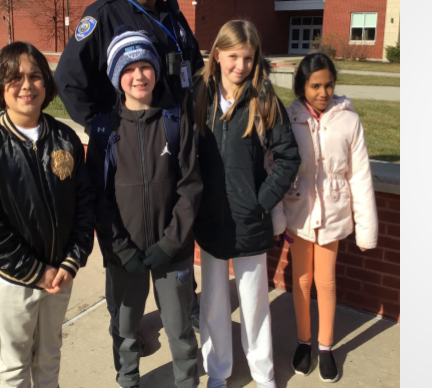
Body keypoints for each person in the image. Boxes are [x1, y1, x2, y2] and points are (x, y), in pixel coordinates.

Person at [0, 42, 97, 388]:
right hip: (14, 279)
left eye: (35, 76)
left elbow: (84, 207)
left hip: (60, 278)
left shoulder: (64, 139)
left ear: (47, 84)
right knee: (16, 365)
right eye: (15, 78)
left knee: (50, 356)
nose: (26, 85)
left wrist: (70, 263)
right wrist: (36, 271)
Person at [188, 20, 299, 388]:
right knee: (214, 302)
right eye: (233, 56)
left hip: (250, 219)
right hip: (211, 220)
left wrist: (262, 201)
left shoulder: (263, 100)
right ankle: (217, 370)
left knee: (254, 303)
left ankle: (262, 372)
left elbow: (288, 157)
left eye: (248, 58)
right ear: (216, 54)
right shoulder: (198, 96)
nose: (240, 65)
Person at [98, 31, 206, 388]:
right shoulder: (106, 131)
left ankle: (186, 382)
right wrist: (121, 249)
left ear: (157, 72)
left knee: (179, 330)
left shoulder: (175, 123)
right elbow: (100, 200)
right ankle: (128, 381)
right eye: (129, 68)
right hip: (124, 256)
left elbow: (190, 187)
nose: (139, 75)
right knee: (126, 330)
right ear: (117, 77)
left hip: (171, 254)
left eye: (146, 66)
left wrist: (171, 243)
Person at [56, 0, 206, 178]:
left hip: (178, 141)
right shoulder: (103, 15)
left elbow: (197, 70)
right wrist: (101, 127)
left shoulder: (173, 16)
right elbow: (67, 79)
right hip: (132, 146)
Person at [279, 52, 378, 383]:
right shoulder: (289, 119)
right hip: (299, 216)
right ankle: (304, 342)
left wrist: (366, 229)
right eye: (315, 86)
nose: (323, 93)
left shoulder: (349, 121)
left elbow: (360, 176)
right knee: (301, 281)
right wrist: (278, 217)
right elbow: (274, 167)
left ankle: (325, 347)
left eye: (329, 85)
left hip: (333, 215)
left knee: (326, 281)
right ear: (301, 86)